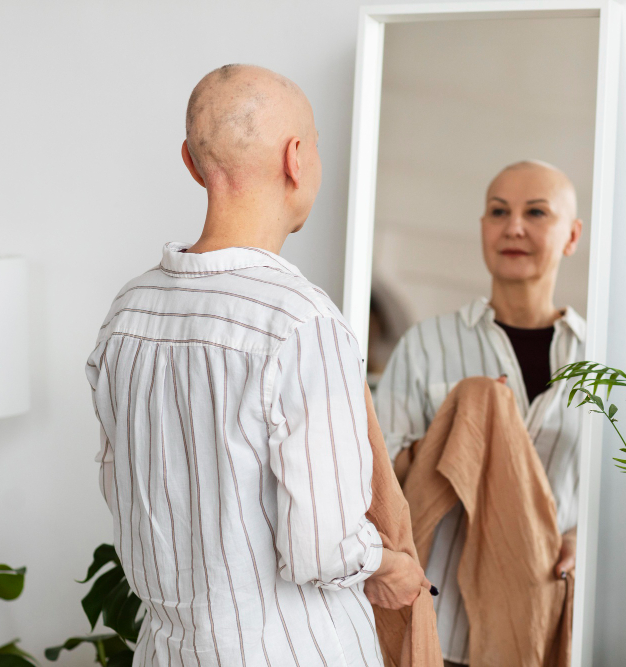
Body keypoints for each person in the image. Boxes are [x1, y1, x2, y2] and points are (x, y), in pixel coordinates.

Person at [85, 64, 432, 667]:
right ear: (296, 158)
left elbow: (123, 493)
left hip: (167, 651)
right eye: (316, 143)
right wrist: (386, 565)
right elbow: (319, 546)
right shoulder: (302, 321)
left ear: (193, 165)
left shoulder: (128, 311)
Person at [374, 160, 586, 666]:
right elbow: (379, 477)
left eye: (536, 212)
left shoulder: (601, 358)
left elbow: (617, 487)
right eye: (498, 212)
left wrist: (585, 538)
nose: (514, 227)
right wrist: (466, 424)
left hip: (544, 615)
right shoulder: (427, 344)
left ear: (572, 235)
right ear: (483, 228)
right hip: (438, 621)